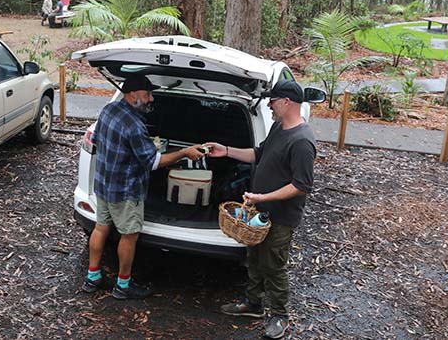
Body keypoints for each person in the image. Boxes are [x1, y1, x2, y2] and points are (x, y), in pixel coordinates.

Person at [205, 80, 316, 340]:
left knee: (273, 266)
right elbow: (258, 154)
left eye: (272, 100)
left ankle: (279, 316)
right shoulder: (279, 127)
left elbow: (302, 185)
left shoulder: (302, 141)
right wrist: (227, 151)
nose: (269, 104)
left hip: (281, 217)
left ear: (287, 102)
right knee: (253, 258)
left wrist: (262, 196)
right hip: (259, 211)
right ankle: (252, 304)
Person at [82, 75, 206, 300]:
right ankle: (123, 286)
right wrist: (184, 153)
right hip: (126, 192)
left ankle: (92, 278)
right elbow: (153, 163)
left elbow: (98, 140)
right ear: (133, 94)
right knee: (128, 236)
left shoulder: (108, 111)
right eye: (147, 94)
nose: (151, 98)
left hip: (103, 185)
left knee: (101, 228)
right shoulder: (135, 126)